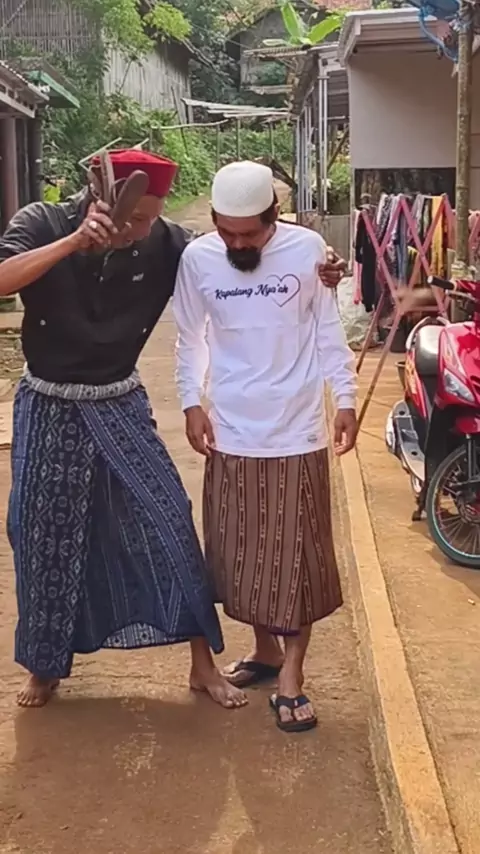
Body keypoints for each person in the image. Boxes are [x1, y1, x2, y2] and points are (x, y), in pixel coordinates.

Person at [2, 148, 249, 710]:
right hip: (48, 402)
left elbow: (241, 256)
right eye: (132, 217)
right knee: (41, 534)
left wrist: (319, 264)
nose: (139, 230)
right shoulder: (43, 222)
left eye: (149, 218)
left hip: (120, 400)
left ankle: (202, 664)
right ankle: (44, 666)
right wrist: (72, 243)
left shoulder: (170, 244)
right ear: (98, 195)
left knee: (168, 519)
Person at [173, 161, 357, 733]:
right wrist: (191, 402)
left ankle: (292, 678)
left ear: (274, 216)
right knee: (243, 553)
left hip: (296, 428)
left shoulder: (308, 251)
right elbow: (189, 337)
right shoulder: (199, 258)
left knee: (298, 556)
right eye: (226, 232)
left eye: (248, 234)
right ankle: (266, 650)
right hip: (231, 430)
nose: (237, 244)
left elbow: (328, 330)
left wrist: (345, 398)